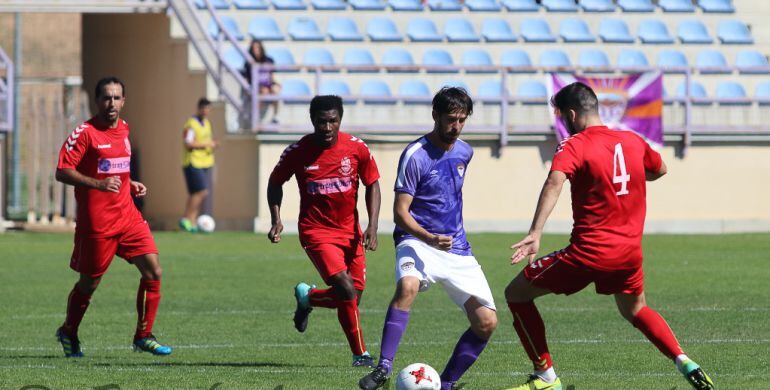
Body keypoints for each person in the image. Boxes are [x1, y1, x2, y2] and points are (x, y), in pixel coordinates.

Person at [503, 82, 713, 390]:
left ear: (572, 115)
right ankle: (684, 360)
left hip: (587, 254)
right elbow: (660, 169)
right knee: (636, 308)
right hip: (629, 254)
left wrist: (535, 232)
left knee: (516, 293)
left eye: (563, 118)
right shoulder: (633, 141)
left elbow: (554, 182)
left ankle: (545, 376)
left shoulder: (575, 144)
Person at [359, 87, 498, 390]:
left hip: (456, 247)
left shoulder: (465, 151)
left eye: (462, 120)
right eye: (451, 119)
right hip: (417, 239)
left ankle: (446, 384)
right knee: (407, 286)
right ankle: (383, 367)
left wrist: (443, 238)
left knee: (486, 322)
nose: (456, 126)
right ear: (435, 115)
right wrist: (429, 237)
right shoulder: (415, 155)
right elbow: (400, 213)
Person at [54, 76, 172, 357]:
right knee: (89, 284)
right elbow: (62, 171)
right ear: (97, 101)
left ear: (123, 101)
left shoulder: (125, 129)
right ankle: (68, 331)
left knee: (153, 271)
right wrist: (98, 184)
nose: (112, 103)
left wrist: (130, 183)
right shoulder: (85, 133)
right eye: (106, 97)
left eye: (117, 97)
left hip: (128, 217)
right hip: (97, 224)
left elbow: (116, 168)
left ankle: (144, 335)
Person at [267, 95, 381, 367]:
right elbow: (275, 183)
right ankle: (360, 355)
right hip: (316, 232)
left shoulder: (356, 148)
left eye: (333, 121)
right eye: (322, 122)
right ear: (313, 121)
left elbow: (373, 183)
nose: (328, 127)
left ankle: (309, 297)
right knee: (346, 288)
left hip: (350, 232)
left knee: (352, 296)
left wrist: (372, 225)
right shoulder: (297, 152)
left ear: (340, 120)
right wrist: (276, 219)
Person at [180, 97, 217, 233]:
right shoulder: (191, 124)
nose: (206, 111)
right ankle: (186, 219)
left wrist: (212, 144)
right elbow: (188, 143)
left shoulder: (207, 123)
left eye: (208, 109)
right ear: (199, 108)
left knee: (195, 193)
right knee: (201, 192)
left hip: (204, 162)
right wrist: (207, 144)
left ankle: (192, 222)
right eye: (204, 108)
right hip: (192, 162)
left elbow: (206, 140)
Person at [242, 39, 281, 124]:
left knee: (276, 90)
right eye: (254, 48)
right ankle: (257, 116)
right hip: (256, 85)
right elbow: (247, 79)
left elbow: (271, 76)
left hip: (267, 84)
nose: (256, 50)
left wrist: (276, 83)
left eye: (258, 48)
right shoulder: (249, 63)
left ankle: (275, 116)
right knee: (264, 91)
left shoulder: (269, 60)